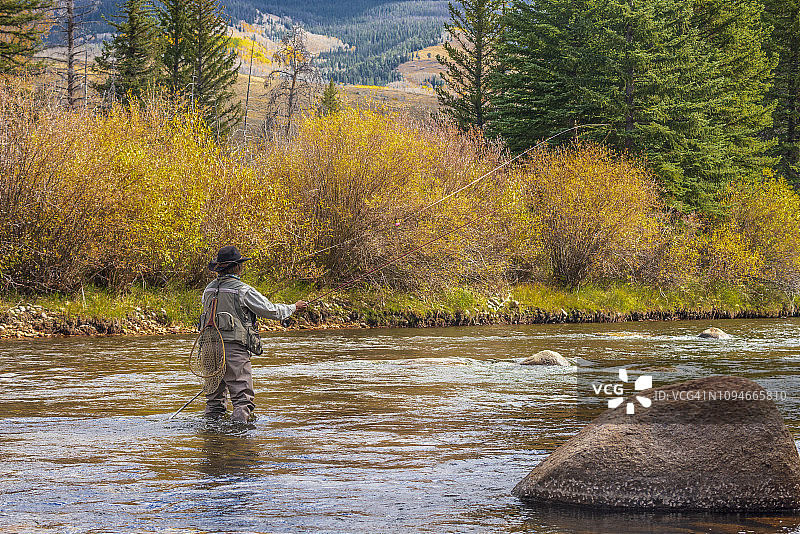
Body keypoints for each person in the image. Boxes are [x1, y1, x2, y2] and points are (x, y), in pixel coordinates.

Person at [201, 245, 308, 423]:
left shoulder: (208, 290)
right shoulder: (243, 290)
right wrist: (294, 308)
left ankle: (213, 440)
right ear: (237, 267)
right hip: (233, 349)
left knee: (214, 401)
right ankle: (240, 441)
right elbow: (271, 311)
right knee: (243, 400)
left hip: (209, 347)